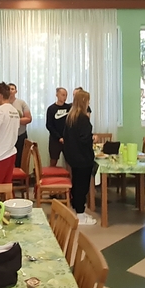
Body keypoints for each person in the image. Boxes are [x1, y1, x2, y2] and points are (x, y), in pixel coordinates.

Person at [62, 89, 96, 225]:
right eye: (88, 101)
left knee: (76, 183)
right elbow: (85, 139)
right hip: (83, 158)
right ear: (84, 102)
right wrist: (92, 138)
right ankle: (81, 215)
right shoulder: (83, 118)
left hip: (73, 157)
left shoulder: (71, 117)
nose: (89, 103)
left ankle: (78, 209)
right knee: (82, 186)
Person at [8, 83, 33, 168]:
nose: (10, 91)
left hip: (20, 135)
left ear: (16, 91)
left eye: (12, 89)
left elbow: (28, 119)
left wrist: (14, 120)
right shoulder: (3, 104)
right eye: (8, 89)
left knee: (20, 160)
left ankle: (19, 175)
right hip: (8, 137)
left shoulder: (21, 103)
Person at [45, 87, 71, 167]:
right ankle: (51, 174)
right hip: (55, 139)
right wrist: (58, 137)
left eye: (66, 95)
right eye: (63, 95)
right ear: (57, 95)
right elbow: (49, 125)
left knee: (69, 161)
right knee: (53, 160)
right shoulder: (51, 109)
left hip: (67, 139)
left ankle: (69, 175)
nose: (65, 97)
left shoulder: (69, 108)